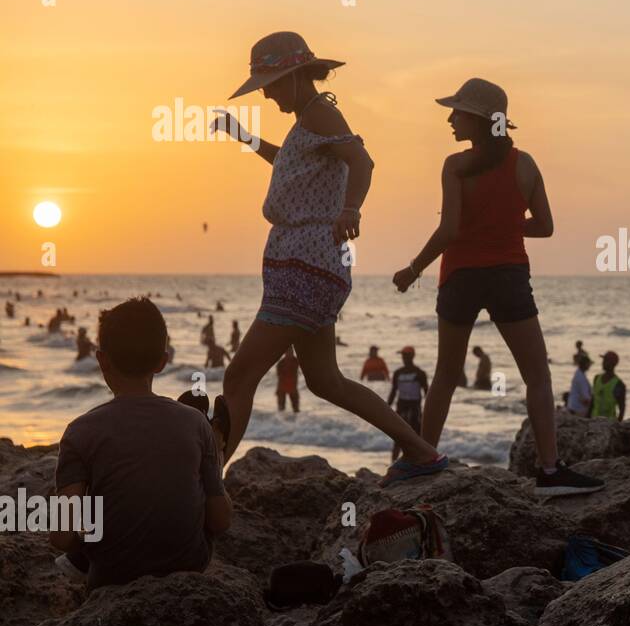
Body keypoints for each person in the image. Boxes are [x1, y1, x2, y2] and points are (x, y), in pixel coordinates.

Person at [209, 31, 445, 469]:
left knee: (239, 375)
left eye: (272, 85)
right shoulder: (310, 121)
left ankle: (209, 481)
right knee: (326, 381)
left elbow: (362, 160)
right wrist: (244, 136)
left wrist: (350, 208)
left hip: (306, 265)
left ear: (296, 76)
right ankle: (423, 453)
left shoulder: (320, 113)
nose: (268, 96)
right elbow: (288, 159)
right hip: (311, 265)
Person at [393, 77, 603, 496]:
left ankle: (423, 458)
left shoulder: (454, 165)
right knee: (537, 375)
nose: (450, 119)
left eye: (457, 112)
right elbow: (544, 227)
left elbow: (449, 228)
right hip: (508, 275)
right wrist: (505, 225)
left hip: (460, 277)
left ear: (477, 118)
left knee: (446, 375)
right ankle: (549, 469)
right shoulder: (525, 165)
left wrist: (413, 269)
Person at [49, 298, 232, 590]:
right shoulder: (194, 423)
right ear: (163, 360)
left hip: (109, 579)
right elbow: (221, 521)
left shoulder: (79, 432)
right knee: (201, 477)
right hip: (188, 569)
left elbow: (61, 536)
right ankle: (217, 449)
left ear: (101, 360)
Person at [387, 346, 429, 461]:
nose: (404, 358)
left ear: (412, 356)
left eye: (406, 356)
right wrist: (387, 407)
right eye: (403, 356)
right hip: (401, 407)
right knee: (398, 436)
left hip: (414, 408)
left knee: (416, 436)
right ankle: (393, 463)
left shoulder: (420, 373)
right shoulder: (398, 373)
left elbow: (427, 393)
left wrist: (428, 412)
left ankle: (418, 460)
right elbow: (393, 391)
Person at [591, 351, 626, 420]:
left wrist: (618, 425)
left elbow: (622, 408)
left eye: (606, 361)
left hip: (609, 423)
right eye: (603, 360)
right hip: (594, 420)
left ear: (613, 364)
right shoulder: (597, 378)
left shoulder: (618, 384)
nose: (603, 363)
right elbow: (592, 401)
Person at [567, 350, 594, 415]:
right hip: (577, 410)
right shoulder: (581, 378)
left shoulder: (579, 374)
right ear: (585, 364)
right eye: (588, 364)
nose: (589, 365)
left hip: (573, 407)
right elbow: (586, 398)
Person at [275, 348, 301, 412]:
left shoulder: (296, 361)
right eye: (288, 352)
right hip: (282, 387)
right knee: (281, 410)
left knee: (296, 409)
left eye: (291, 352)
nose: (290, 354)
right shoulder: (281, 363)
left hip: (293, 387)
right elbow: (279, 375)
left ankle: (296, 421)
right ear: (285, 353)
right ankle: (280, 421)